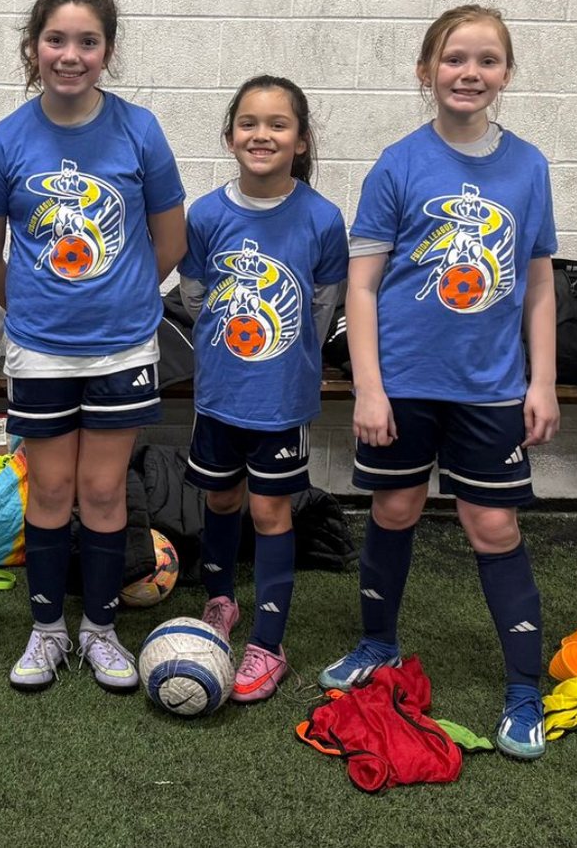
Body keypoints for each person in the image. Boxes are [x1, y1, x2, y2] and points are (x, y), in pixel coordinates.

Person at [323, 5, 560, 761]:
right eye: (454, 58)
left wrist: (544, 380)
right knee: (393, 508)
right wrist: (369, 387)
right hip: (403, 382)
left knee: (493, 527)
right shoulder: (398, 163)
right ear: (426, 71)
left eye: (487, 60)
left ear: (507, 74)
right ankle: (377, 643)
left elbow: (540, 284)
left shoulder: (529, 166)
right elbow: (363, 287)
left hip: (490, 388)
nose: (469, 73)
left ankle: (523, 690)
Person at [0, 0, 186, 694]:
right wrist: (40, 310)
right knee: (51, 490)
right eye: (56, 40)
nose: (71, 55)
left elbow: (170, 239)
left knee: (101, 490)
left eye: (87, 42)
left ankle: (98, 629)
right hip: (40, 349)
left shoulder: (139, 130)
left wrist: (119, 299)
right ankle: (46, 631)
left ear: (107, 51)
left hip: (124, 346)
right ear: (33, 48)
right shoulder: (6, 140)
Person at [176, 75, 347, 703]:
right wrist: (233, 349)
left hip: (281, 400)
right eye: (248, 122)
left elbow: (323, 306)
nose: (262, 134)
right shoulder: (206, 214)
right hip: (220, 395)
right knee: (221, 500)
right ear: (229, 136)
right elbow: (195, 295)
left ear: (300, 141)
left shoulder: (322, 218)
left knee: (271, 512)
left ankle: (268, 644)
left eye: (278, 124)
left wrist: (284, 357)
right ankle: (220, 602)